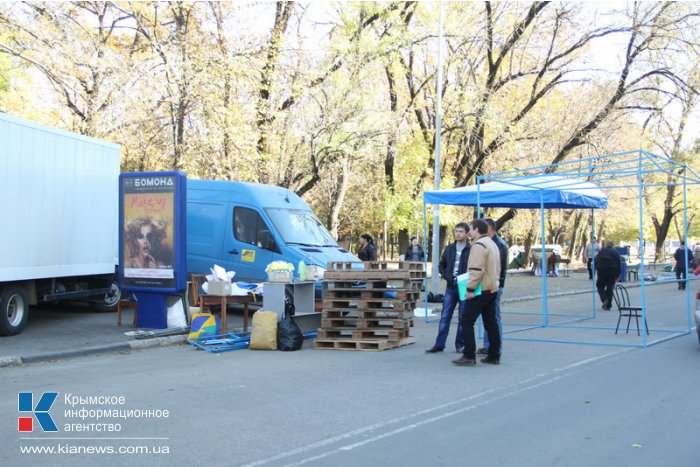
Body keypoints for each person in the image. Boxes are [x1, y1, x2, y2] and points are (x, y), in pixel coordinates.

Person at [453, 219, 501, 366]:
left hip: (481, 290)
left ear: (477, 230)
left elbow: (476, 269)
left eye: (471, 230)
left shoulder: (479, 245)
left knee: (466, 321)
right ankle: (494, 355)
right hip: (492, 288)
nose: (470, 233)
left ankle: (468, 355)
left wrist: (470, 289)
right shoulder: (492, 243)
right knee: (491, 323)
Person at [426, 223, 471, 354]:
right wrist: (446, 276)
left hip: (464, 286)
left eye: (461, 231)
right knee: (445, 316)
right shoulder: (450, 248)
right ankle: (439, 344)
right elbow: (442, 264)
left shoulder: (471, 249)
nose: (458, 233)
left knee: (463, 317)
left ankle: (460, 344)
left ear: (467, 233)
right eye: (456, 231)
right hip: (451, 286)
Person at [478, 219, 508, 356]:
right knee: (489, 317)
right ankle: (488, 345)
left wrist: (494, 283)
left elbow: (497, 268)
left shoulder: (497, 244)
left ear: (488, 229)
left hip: (494, 285)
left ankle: (494, 347)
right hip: (491, 284)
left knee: (494, 317)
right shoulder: (494, 242)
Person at [595, 240, 621, 310]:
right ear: (613, 245)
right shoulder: (615, 252)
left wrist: (597, 269)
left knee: (600, 286)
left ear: (606, 244)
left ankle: (604, 299)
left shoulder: (601, 251)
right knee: (610, 288)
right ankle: (608, 305)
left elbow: (596, 261)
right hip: (612, 272)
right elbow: (619, 264)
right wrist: (618, 275)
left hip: (601, 272)